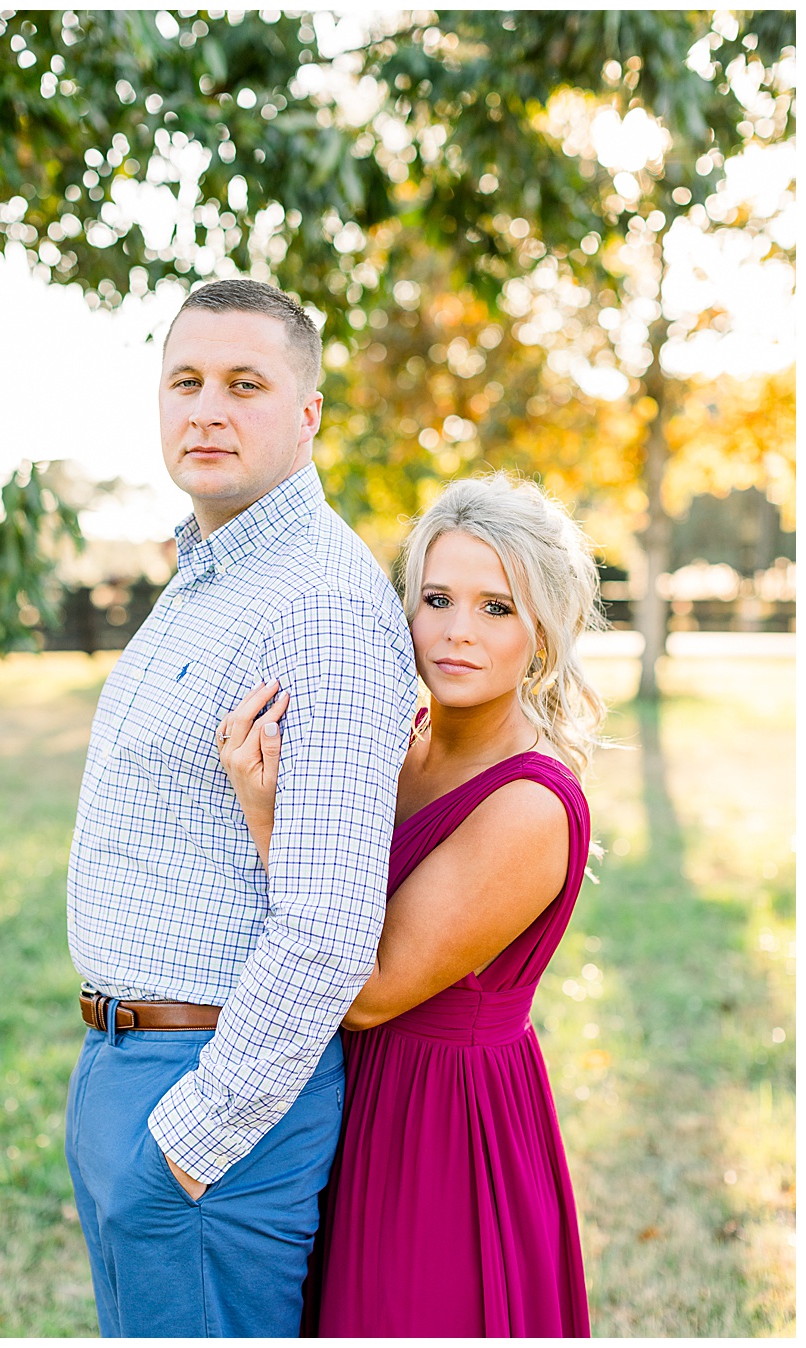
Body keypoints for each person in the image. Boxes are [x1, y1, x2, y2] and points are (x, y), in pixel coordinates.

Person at [63, 277, 419, 1337]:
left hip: (213, 1099)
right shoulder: (209, 577)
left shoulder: (323, 603)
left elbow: (329, 923)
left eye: (244, 384)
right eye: (186, 382)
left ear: (308, 412)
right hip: (124, 1066)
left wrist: (189, 1143)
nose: (207, 410)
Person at [216, 473, 605, 1335]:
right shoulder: (399, 744)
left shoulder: (530, 805)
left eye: (496, 608)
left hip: (444, 1126)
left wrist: (266, 816)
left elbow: (365, 991)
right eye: (437, 599)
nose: (458, 631)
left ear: (543, 633)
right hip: (347, 1097)